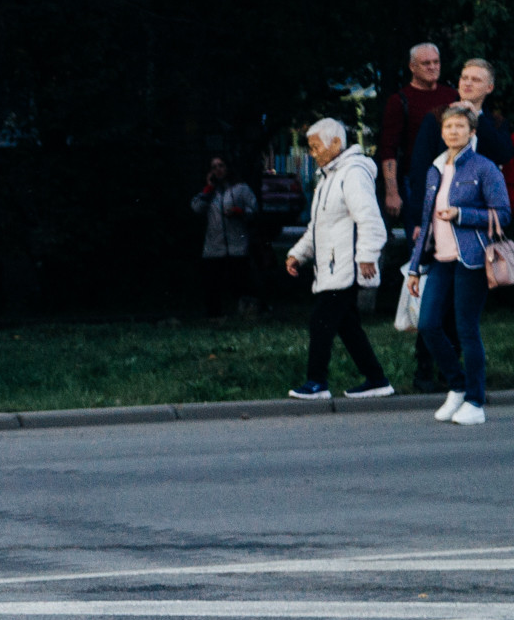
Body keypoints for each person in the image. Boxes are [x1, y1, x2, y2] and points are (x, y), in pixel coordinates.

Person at [405, 58, 513, 392]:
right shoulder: (439, 118)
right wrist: (417, 224)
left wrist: (476, 118)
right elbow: (422, 169)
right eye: (463, 77)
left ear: (489, 87)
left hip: (473, 238)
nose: (466, 83)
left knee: (463, 319)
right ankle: (429, 372)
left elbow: (503, 153)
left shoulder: (491, 125)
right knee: (430, 315)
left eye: (475, 79)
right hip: (439, 233)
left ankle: (466, 389)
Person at [284, 119, 393, 400]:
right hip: (333, 266)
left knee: (321, 320)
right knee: (346, 324)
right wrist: (298, 253)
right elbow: (319, 226)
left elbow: (369, 217)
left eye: (315, 146)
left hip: (347, 265)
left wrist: (368, 256)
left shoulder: (353, 173)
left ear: (335, 143)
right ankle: (377, 379)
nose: (312, 153)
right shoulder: (329, 177)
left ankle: (316, 382)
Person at [378, 43, 459, 221]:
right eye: (426, 63)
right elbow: (388, 149)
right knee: (419, 242)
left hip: (452, 180)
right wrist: (392, 192)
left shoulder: (452, 96)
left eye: (436, 62)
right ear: (412, 67)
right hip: (416, 184)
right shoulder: (400, 101)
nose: (432, 67)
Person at [190, 156, 258, 318]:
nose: (218, 170)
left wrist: (239, 213)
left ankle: (246, 313)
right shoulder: (209, 192)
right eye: (214, 167)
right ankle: (214, 315)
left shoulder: (240, 189)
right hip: (214, 246)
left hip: (237, 245)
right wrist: (208, 189)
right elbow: (196, 208)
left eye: (221, 166)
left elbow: (254, 210)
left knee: (240, 282)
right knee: (213, 283)